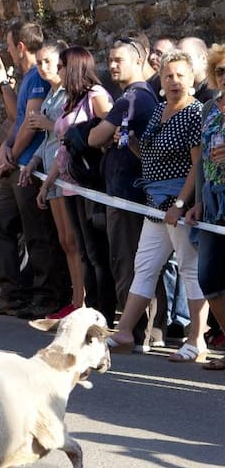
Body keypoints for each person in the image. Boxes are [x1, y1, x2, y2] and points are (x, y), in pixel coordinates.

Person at [105, 50, 210, 363]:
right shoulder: (160, 109)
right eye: (168, 75)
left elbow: (197, 165)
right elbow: (151, 158)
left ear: (191, 79)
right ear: (160, 80)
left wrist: (181, 203)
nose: (174, 81)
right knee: (145, 266)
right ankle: (124, 331)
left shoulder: (195, 113)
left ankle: (197, 339)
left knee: (190, 269)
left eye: (180, 75)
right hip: (154, 204)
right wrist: (130, 142)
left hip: (180, 205)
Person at [0, 21, 65, 319]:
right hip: (18, 161)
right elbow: (16, 116)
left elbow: (31, 124)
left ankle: (47, 297)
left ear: (19, 46)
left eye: (8, 45)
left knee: (38, 234)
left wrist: (11, 156)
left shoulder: (39, 78)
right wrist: (6, 145)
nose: (7, 50)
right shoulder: (28, 77)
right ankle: (12, 294)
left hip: (31, 166)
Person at [90, 36, 159, 344]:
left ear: (138, 61)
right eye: (110, 59)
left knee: (127, 260)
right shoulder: (136, 97)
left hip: (128, 194)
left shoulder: (133, 98)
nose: (112, 65)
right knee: (138, 261)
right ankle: (146, 331)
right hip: (127, 190)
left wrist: (102, 133)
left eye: (119, 60)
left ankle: (134, 331)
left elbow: (94, 137)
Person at [39, 46, 115, 322]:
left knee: (97, 253)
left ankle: (102, 312)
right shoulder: (72, 101)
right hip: (69, 184)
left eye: (61, 65)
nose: (58, 70)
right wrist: (48, 183)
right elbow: (64, 148)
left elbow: (111, 129)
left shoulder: (96, 97)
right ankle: (87, 309)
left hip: (90, 184)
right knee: (84, 251)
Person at [18, 40, 84, 318]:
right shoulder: (53, 93)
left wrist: (47, 125)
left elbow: (68, 132)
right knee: (64, 240)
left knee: (73, 240)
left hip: (66, 172)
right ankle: (74, 299)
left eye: (51, 62)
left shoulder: (71, 93)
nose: (45, 68)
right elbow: (46, 139)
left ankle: (80, 301)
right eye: (40, 62)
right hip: (49, 168)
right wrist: (31, 162)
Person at [192, 42, 225, 370]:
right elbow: (201, 159)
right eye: (220, 71)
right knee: (209, 277)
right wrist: (198, 202)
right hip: (214, 200)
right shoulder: (208, 109)